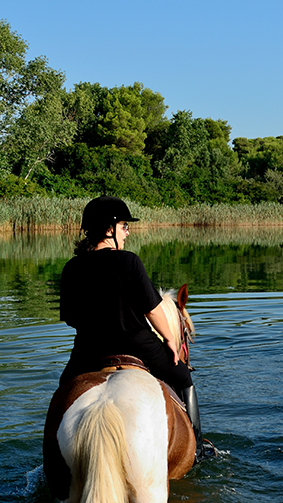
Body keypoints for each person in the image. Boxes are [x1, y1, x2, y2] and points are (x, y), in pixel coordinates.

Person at [59, 196, 214, 459]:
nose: (128, 232)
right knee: (183, 378)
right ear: (110, 230)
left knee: (64, 389)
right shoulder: (129, 261)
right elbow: (153, 310)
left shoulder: (71, 268)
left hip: (87, 351)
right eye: (124, 226)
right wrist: (171, 342)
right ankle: (198, 449)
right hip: (137, 345)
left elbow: (70, 318)